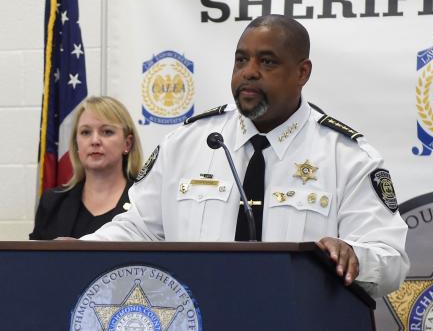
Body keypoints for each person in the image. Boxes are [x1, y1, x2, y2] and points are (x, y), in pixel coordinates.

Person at [84, 15, 408, 297]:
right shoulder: (186, 144)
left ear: (302, 73)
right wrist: (75, 250)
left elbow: (390, 260)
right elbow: (140, 229)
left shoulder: (346, 157)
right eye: (241, 60)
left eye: (267, 62)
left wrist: (355, 256)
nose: (249, 72)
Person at [30, 96, 141, 240]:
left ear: (127, 143)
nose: (95, 141)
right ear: (76, 144)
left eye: (107, 132)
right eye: (86, 132)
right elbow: (34, 261)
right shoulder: (53, 202)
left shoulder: (143, 202)